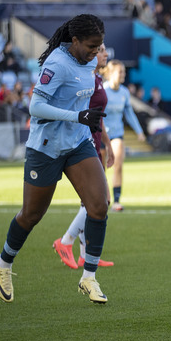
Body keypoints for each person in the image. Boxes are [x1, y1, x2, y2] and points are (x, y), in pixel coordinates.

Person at [0, 14, 110, 304]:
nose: (97, 53)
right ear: (75, 41)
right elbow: (35, 106)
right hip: (45, 147)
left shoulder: (91, 61)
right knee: (31, 215)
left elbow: (80, 99)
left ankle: (89, 277)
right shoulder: (56, 63)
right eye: (92, 46)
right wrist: (77, 116)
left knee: (99, 205)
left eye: (100, 47)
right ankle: (3, 262)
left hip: (78, 143)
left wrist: (91, 122)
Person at [53, 43, 116, 269]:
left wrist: (107, 145)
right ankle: (65, 240)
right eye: (100, 50)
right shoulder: (83, 80)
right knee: (102, 200)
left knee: (89, 201)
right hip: (83, 145)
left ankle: (86, 255)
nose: (105, 54)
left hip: (96, 144)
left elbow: (99, 118)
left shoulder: (96, 79)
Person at [101, 59, 146, 212]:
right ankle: (102, 198)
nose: (123, 75)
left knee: (118, 164)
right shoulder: (102, 90)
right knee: (101, 169)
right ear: (111, 73)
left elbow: (129, 113)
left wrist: (139, 131)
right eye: (120, 72)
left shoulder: (124, 92)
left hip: (117, 134)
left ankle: (117, 200)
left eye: (124, 72)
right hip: (101, 135)